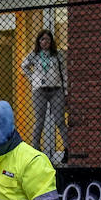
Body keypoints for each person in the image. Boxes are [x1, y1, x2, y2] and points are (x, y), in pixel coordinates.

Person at [20, 29, 68, 161]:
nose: (45, 42)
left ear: (51, 41)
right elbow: (23, 66)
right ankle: (36, 149)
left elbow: (64, 72)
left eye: (47, 39)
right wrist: (32, 78)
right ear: (38, 41)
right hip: (39, 91)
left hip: (56, 89)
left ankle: (67, 148)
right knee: (39, 120)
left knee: (60, 120)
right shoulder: (34, 55)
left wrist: (66, 91)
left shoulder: (57, 55)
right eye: (42, 39)